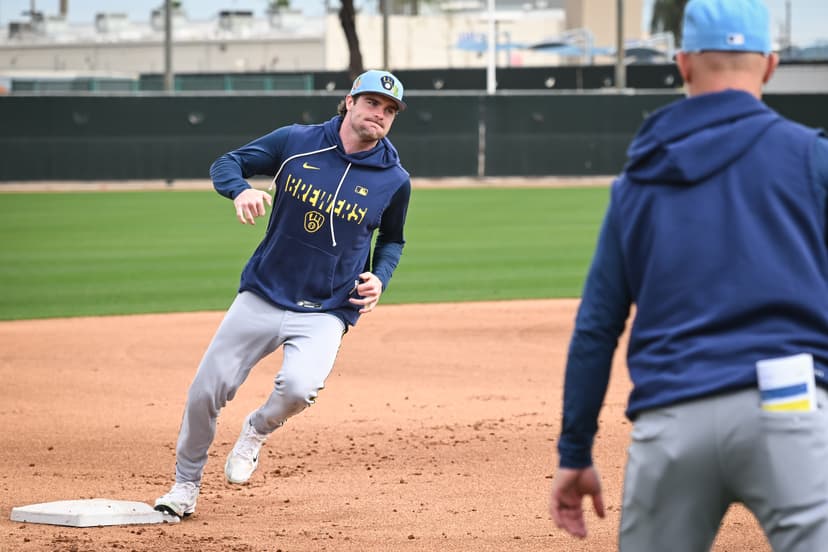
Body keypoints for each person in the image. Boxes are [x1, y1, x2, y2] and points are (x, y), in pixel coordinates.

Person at [548, 0, 828, 549]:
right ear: (770, 65)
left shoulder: (641, 179)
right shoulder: (812, 160)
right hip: (792, 405)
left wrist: (575, 452)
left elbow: (597, 326)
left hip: (674, 415)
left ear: (682, 63)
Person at [154, 69, 411, 518]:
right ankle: (184, 486)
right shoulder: (296, 141)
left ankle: (256, 430)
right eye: (372, 102)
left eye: (389, 110)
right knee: (204, 393)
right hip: (263, 293)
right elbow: (226, 163)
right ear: (349, 102)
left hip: (330, 308)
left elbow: (392, 239)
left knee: (298, 389)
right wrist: (239, 191)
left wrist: (381, 276)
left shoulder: (394, 178)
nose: (380, 114)